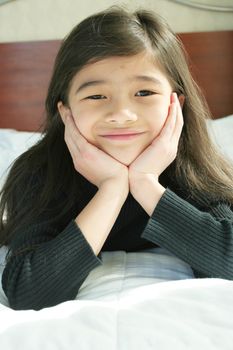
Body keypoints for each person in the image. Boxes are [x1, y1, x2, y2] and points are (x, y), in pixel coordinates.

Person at [0, 7, 233, 311]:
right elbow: (30, 294)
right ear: (66, 112)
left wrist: (145, 183)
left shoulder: (192, 168)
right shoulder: (40, 174)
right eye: (96, 96)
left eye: (144, 92)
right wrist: (111, 189)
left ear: (176, 105)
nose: (122, 115)